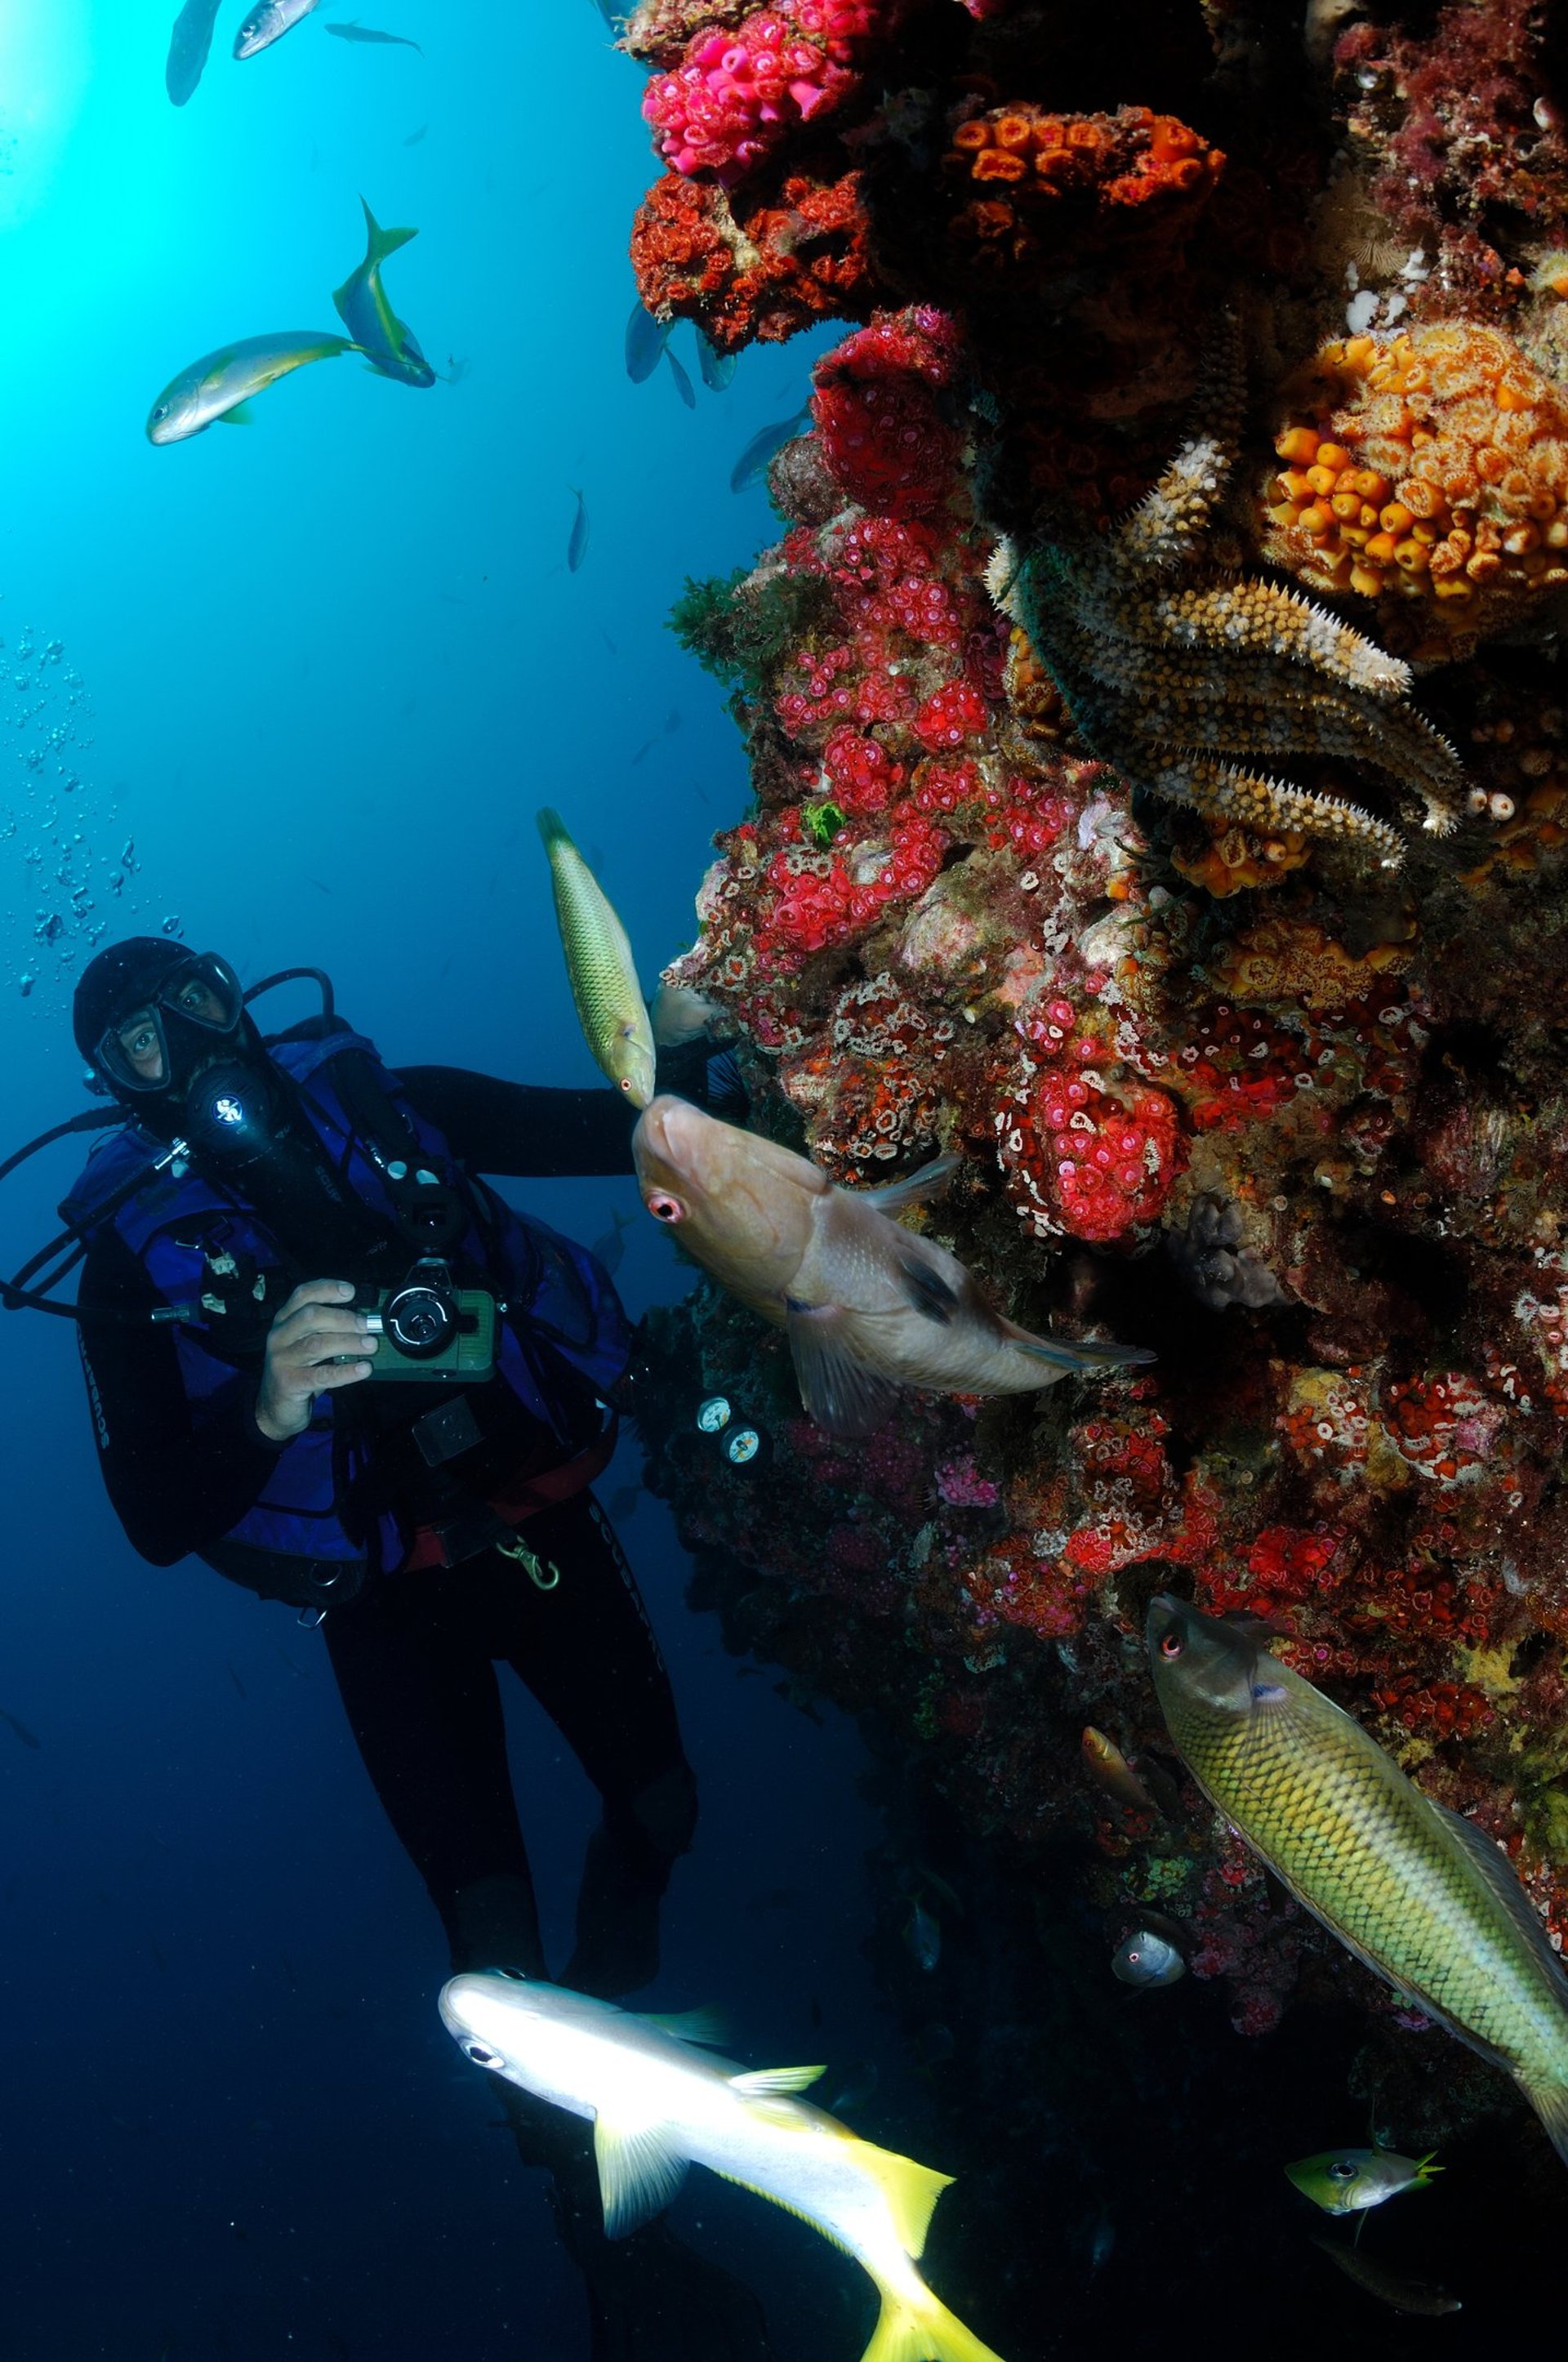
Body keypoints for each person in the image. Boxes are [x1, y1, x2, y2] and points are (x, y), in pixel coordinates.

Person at [66, 936, 768, 2361]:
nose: (183, 1047)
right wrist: (264, 1406)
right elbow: (150, 1515)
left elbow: (608, 1129)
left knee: (665, 1808)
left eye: (190, 1004)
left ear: (233, 992)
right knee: (493, 1965)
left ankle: (620, 2061)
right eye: (139, 1042)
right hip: (384, 1611)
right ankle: (604, 2239)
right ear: (111, 1088)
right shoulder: (127, 1269)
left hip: (533, 1524)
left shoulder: (383, 1102)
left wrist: (730, 1062)